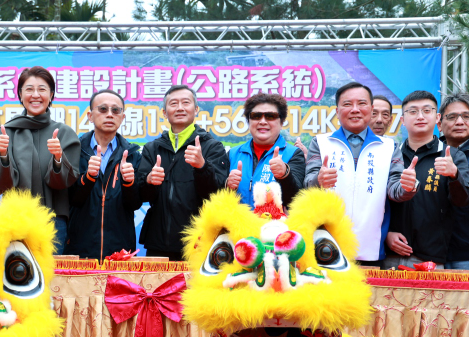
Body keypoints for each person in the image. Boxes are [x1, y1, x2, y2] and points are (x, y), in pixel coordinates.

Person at [305, 81, 417, 266]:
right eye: (347, 104)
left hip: (371, 247)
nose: (355, 109)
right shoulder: (320, 143)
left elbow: (395, 191)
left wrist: (408, 186)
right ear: (337, 111)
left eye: (362, 103)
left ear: (371, 109)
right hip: (326, 246)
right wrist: (318, 180)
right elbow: (308, 185)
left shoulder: (389, 146)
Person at [0, 66, 80, 254]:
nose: (35, 95)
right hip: (14, 220)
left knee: (51, 272)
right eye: (29, 89)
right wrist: (3, 156)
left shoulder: (64, 134)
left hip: (53, 222)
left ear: (51, 95)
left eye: (42, 89)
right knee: (16, 270)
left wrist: (58, 159)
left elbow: (65, 183)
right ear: (20, 95)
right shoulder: (5, 134)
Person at [134, 84, 228, 261]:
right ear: (164, 112)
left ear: (196, 109)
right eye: (173, 103)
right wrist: (149, 181)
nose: (180, 108)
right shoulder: (152, 148)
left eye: (186, 102)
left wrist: (202, 167)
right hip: (158, 243)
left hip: (198, 242)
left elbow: (217, 193)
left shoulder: (212, 147)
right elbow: (141, 196)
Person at [383, 91, 469, 269]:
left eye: (426, 110)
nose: (420, 116)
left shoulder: (453, 156)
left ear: (437, 117)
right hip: (390, 255)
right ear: (402, 120)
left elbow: (463, 201)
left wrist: (454, 175)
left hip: (431, 259)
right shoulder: (389, 154)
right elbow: (376, 202)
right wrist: (386, 234)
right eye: (413, 111)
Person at [64, 89, 142, 261]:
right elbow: (71, 199)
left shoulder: (133, 155)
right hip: (79, 246)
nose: (110, 115)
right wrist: (88, 178)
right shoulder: (74, 151)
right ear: (90, 116)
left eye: (116, 110)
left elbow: (135, 204)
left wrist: (129, 183)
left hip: (120, 249)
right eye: (103, 109)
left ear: (122, 117)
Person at [225, 93, 305, 209]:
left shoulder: (293, 154)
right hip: (237, 220)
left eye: (270, 116)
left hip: (275, 221)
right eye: (256, 116)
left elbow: (297, 200)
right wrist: (228, 186)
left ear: (282, 122)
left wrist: (284, 175)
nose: (262, 121)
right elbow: (214, 198)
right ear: (248, 121)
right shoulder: (233, 154)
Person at [439, 93, 469, 272]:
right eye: (452, 117)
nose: (460, 122)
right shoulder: (429, 153)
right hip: (432, 253)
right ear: (439, 123)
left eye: (466, 116)